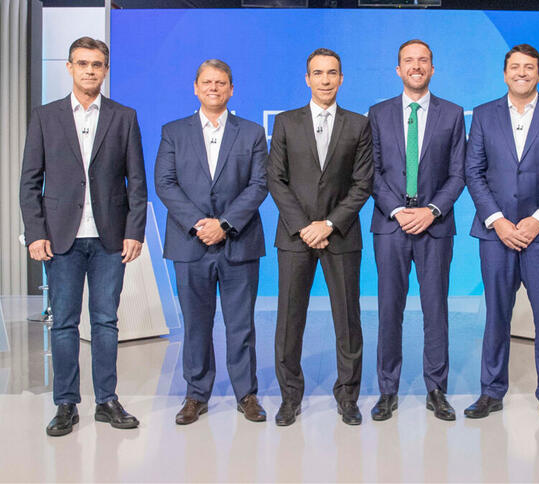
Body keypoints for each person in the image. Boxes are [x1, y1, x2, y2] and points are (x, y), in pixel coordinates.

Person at [19, 36, 148, 436]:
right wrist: (35, 233)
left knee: (106, 322)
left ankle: (107, 400)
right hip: (61, 239)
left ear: (106, 70)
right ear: (70, 68)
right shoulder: (45, 117)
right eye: (83, 63)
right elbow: (29, 182)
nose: (90, 70)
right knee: (63, 324)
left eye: (97, 64)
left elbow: (137, 182)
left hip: (110, 238)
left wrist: (134, 231)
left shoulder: (123, 117)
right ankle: (65, 404)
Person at [464, 44, 539, 425]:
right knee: (497, 315)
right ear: (504, 73)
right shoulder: (482, 115)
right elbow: (473, 172)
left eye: (529, 67)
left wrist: (538, 219)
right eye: (515, 67)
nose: (522, 73)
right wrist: (497, 220)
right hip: (495, 234)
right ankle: (491, 392)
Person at [155, 59, 268, 425]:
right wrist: (199, 224)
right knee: (196, 324)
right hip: (191, 244)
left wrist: (225, 224)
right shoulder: (173, 131)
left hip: (239, 242)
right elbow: (165, 183)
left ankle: (246, 394)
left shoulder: (250, 132)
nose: (214, 88)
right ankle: (196, 395)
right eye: (207, 82)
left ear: (231, 89)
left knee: (241, 324)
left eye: (221, 83)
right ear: (195, 87)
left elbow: (258, 185)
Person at [268, 47, 373, 426]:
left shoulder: (359, 125)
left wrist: (328, 224)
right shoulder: (285, 122)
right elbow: (275, 179)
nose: (325, 80)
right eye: (318, 73)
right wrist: (305, 226)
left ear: (341, 79)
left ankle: (348, 397)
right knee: (289, 320)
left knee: (348, 320)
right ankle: (289, 397)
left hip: (341, 236)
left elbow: (363, 184)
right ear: (307, 79)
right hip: (295, 236)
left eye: (332, 73)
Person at [367, 39, 465, 422]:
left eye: (423, 60)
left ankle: (435, 389)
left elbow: (458, 173)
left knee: (435, 309)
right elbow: (371, 172)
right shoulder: (377, 113)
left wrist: (432, 210)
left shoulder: (453, 114)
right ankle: (387, 390)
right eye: (409, 60)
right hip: (391, 227)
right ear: (398, 69)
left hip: (435, 227)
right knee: (389, 309)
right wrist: (396, 210)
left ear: (432, 68)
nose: (416, 66)